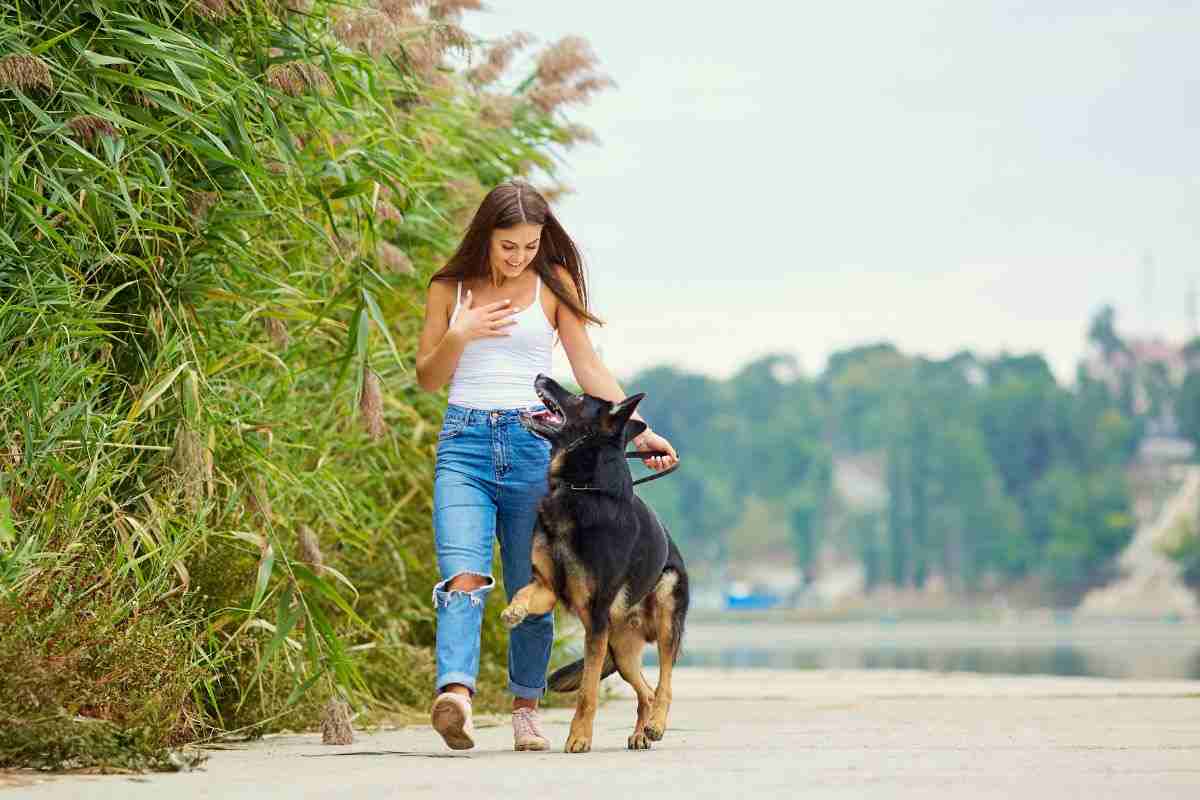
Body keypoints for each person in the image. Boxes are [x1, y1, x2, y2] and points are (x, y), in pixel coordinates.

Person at [414, 180, 679, 751]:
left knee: (535, 584)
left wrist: (642, 429)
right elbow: (429, 378)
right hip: (464, 445)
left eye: (531, 245)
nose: (519, 257)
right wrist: (459, 333)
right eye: (509, 245)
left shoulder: (551, 286)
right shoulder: (449, 287)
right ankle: (455, 695)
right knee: (462, 576)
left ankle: (526, 709)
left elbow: (586, 367)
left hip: (534, 448)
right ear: (486, 235)